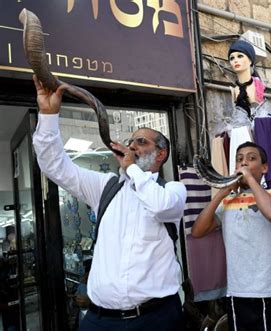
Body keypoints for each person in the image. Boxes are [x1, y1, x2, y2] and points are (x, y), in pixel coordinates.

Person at [31, 75, 186, 331]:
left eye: (141, 142)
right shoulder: (106, 187)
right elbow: (54, 166)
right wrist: (48, 115)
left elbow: (160, 206)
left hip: (156, 319)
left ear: (161, 154)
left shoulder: (172, 190)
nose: (132, 145)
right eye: (130, 142)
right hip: (99, 321)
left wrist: (132, 168)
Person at [191, 141, 271, 331]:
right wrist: (221, 193)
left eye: (251, 158)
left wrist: (250, 179)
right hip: (237, 291)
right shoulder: (228, 201)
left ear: (265, 168)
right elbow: (198, 231)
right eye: (239, 160)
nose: (244, 163)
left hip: (269, 290)